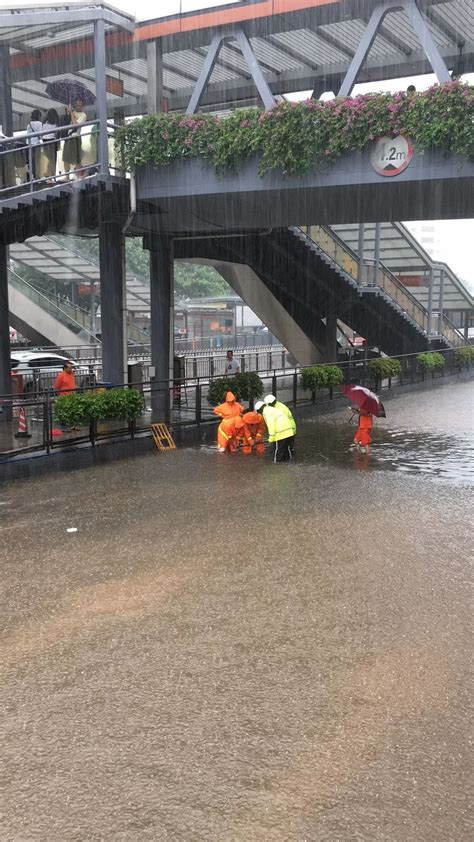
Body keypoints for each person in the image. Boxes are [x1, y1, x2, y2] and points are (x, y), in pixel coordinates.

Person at [261, 394, 296, 462]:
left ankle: (278, 466)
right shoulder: (279, 406)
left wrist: (272, 437)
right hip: (290, 430)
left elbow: (274, 423)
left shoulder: (278, 408)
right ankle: (288, 463)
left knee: (280, 449)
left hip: (287, 430)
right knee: (287, 449)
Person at [62, 98, 87, 178]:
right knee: (66, 158)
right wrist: (68, 112)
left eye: (81, 105)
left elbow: (75, 124)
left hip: (76, 137)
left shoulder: (83, 115)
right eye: (78, 105)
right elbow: (65, 122)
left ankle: (79, 175)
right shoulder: (72, 112)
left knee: (77, 158)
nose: (79, 107)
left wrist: (72, 112)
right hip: (69, 136)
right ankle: (67, 176)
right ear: (75, 105)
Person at [40, 109, 60, 180]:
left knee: (47, 159)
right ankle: (52, 175)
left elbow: (41, 134)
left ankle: (47, 174)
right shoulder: (55, 124)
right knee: (53, 160)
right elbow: (56, 134)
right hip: (52, 142)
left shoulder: (44, 124)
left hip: (45, 142)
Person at [26, 110, 42, 180]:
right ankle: (37, 176)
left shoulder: (29, 124)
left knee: (30, 161)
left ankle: (31, 176)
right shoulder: (39, 124)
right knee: (37, 161)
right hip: (36, 144)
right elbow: (41, 135)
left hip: (29, 144)